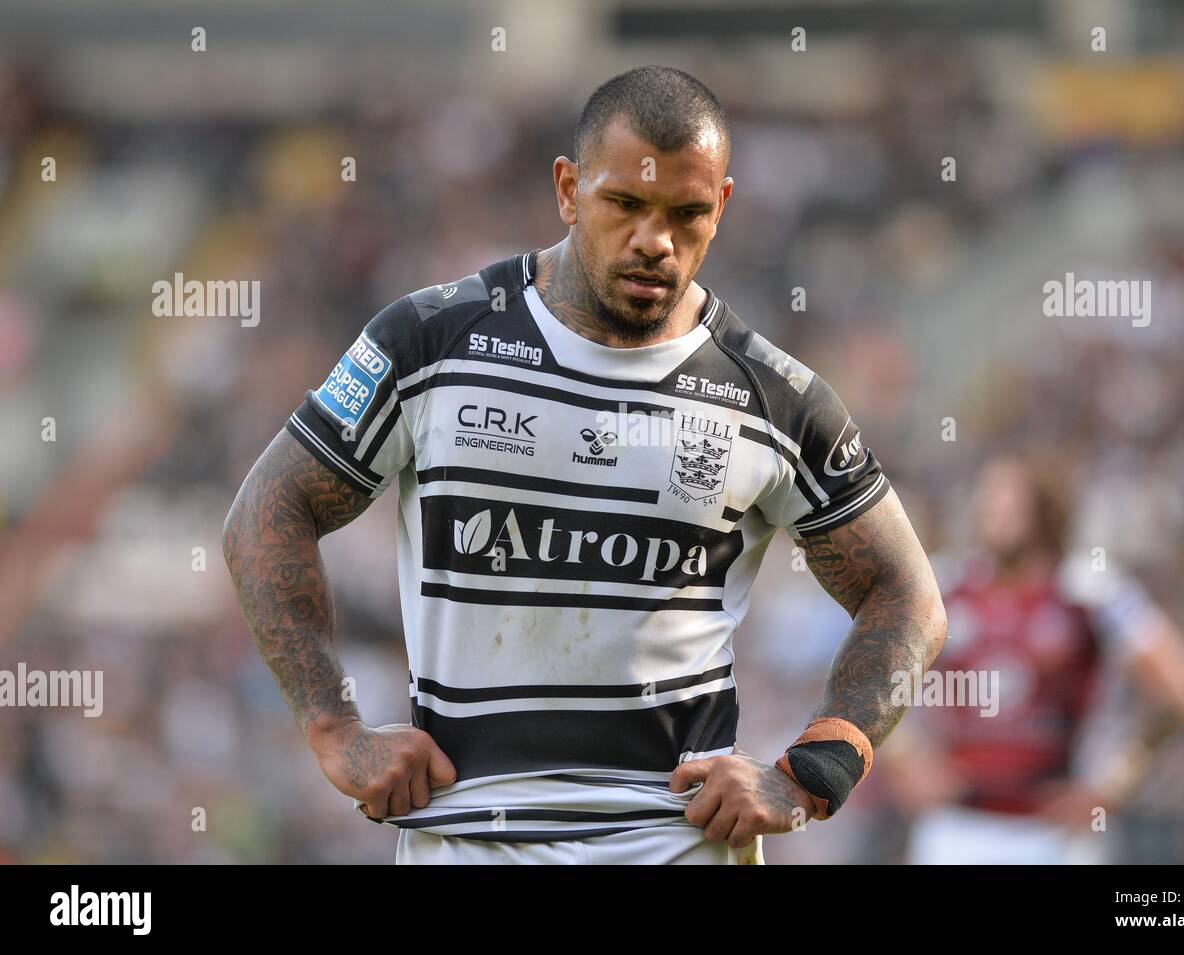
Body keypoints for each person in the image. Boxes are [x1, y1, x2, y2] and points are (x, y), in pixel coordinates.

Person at [222, 66, 947, 865]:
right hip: (471, 842)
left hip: (673, 846)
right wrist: (334, 729)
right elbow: (267, 513)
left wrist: (814, 771)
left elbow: (907, 593)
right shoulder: (431, 340)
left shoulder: (771, 398)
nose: (655, 241)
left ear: (725, 208)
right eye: (625, 205)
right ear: (568, 190)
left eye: (687, 214)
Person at [890, 450, 1184, 864]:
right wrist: (904, 758)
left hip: (1055, 836)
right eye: (987, 497)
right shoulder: (942, 585)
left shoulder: (1092, 592)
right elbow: (868, 676)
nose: (992, 510)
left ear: (1044, 508)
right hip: (956, 829)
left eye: (1007, 499)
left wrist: (1114, 782)